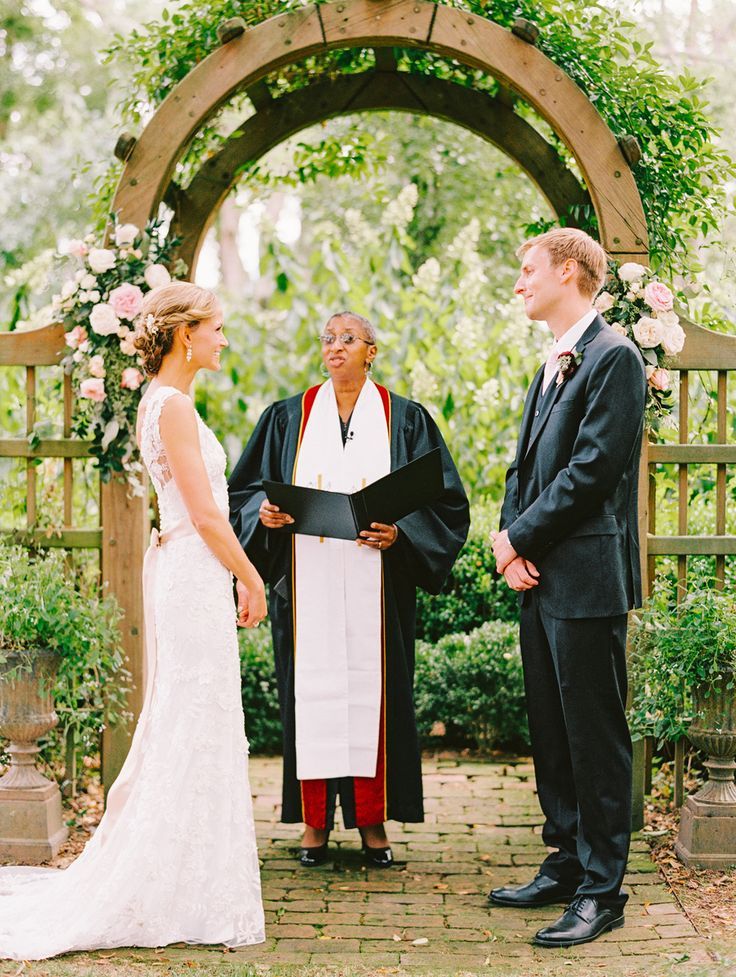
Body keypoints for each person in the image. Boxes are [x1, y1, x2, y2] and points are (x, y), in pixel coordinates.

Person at [0, 281, 267, 959]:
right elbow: (207, 515)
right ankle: (178, 886)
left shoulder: (161, 400)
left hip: (186, 571)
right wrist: (252, 573)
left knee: (192, 721)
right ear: (186, 334)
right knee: (192, 722)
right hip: (193, 571)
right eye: (216, 327)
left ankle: (190, 882)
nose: (222, 338)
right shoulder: (172, 405)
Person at [229, 311, 469, 866]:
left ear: (371, 351)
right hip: (305, 584)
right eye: (328, 339)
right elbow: (241, 491)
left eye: (348, 339)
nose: (335, 348)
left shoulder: (405, 419)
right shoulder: (286, 418)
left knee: (373, 698)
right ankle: (314, 823)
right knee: (309, 698)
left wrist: (401, 533)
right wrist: (260, 517)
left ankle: (373, 822)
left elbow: (446, 502)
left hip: (376, 588)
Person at [489, 229, 646, 947]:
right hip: (540, 576)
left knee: (593, 737)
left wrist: (521, 537)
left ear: (569, 271)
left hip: (585, 579)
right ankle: (564, 859)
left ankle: (602, 889)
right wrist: (508, 543)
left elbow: (590, 472)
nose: (519, 282)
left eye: (528, 270)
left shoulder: (613, 358)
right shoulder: (550, 363)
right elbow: (526, 469)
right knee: (552, 732)